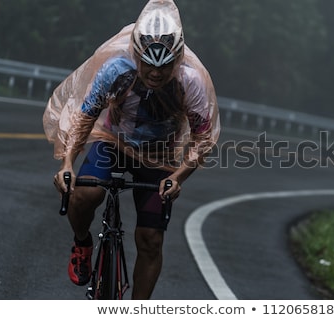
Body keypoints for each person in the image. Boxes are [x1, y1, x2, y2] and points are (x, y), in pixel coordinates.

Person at [43, 0, 220, 299]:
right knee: (86, 193)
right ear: (137, 54)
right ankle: (82, 242)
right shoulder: (117, 69)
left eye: (164, 66)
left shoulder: (190, 81)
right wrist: (67, 164)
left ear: (176, 60)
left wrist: (177, 177)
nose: (155, 73)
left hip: (159, 154)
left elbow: (203, 139)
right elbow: (85, 116)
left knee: (151, 239)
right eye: (148, 63)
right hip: (112, 140)